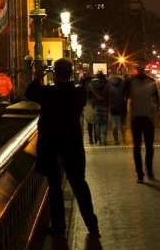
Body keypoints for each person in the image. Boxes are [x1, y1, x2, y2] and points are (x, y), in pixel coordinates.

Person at [27, 59, 100, 240]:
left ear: (55, 73)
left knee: (55, 188)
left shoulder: (47, 93)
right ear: (69, 73)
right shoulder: (78, 94)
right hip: (72, 146)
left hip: (51, 146)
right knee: (79, 185)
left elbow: (29, 93)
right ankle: (92, 225)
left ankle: (59, 228)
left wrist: (37, 78)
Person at [126, 59, 160, 182]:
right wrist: (155, 113)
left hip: (138, 117)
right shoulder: (150, 82)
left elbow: (125, 99)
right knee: (147, 146)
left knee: (139, 146)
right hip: (145, 117)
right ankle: (145, 171)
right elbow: (156, 100)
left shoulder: (131, 82)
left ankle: (142, 173)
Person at [87, 71, 110, 145]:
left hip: (95, 106)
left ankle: (98, 140)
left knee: (97, 124)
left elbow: (88, 95)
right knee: (104, 124)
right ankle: (104, 137)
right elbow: (109, 93)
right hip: (104, 105)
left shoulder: (90, 84)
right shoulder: (106, 84)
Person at [108, 70, 126, 145]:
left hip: (113, 106)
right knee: (122, 123)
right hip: (122, 105)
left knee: (114, 123)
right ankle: (123, 137)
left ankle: (116, 139)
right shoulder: (123, 84)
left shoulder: (109, 85)